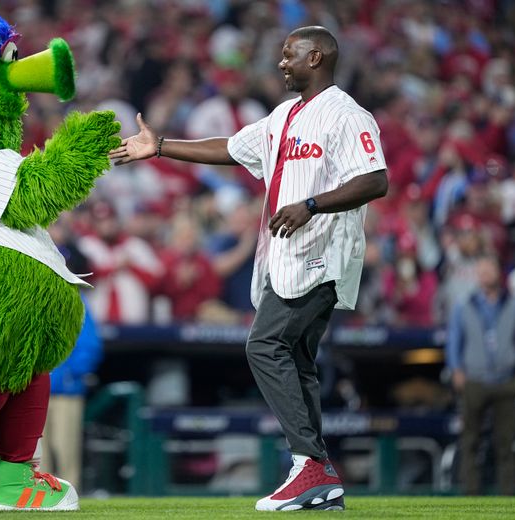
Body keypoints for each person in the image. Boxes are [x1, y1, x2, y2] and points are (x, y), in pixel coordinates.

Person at [110, 26, 388, 511]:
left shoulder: (347, 114)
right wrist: (161, 147)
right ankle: (317, 479)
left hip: (323, 252)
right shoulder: (283, 115)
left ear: (316, 57)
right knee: (296, 360)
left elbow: (376, 178)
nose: (280, 63)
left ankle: (310, 465)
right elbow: (233, 148)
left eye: (289, 55)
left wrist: (313, 203)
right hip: (287, 256)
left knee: (264, 344)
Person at [445, 254, 515, 496]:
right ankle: (471, 491)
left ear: (498, 273)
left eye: (489, 270)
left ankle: (508, 493)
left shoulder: (513, 304)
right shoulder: (464, 305)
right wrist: (456, 369)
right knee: (470, 440)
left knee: (505, 442)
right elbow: (454, 340)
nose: (485, 275)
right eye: (481, 271)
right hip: (474, 379)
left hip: (505, 379)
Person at [41, 300, 102, 491]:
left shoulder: (75, 303)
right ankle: (40, 498)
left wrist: (68, 374)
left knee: (66, 450)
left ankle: (69, 496)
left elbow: (90, 346)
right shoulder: (30, 297)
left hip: (66, 393)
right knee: (36, 454)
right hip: (33, 392)